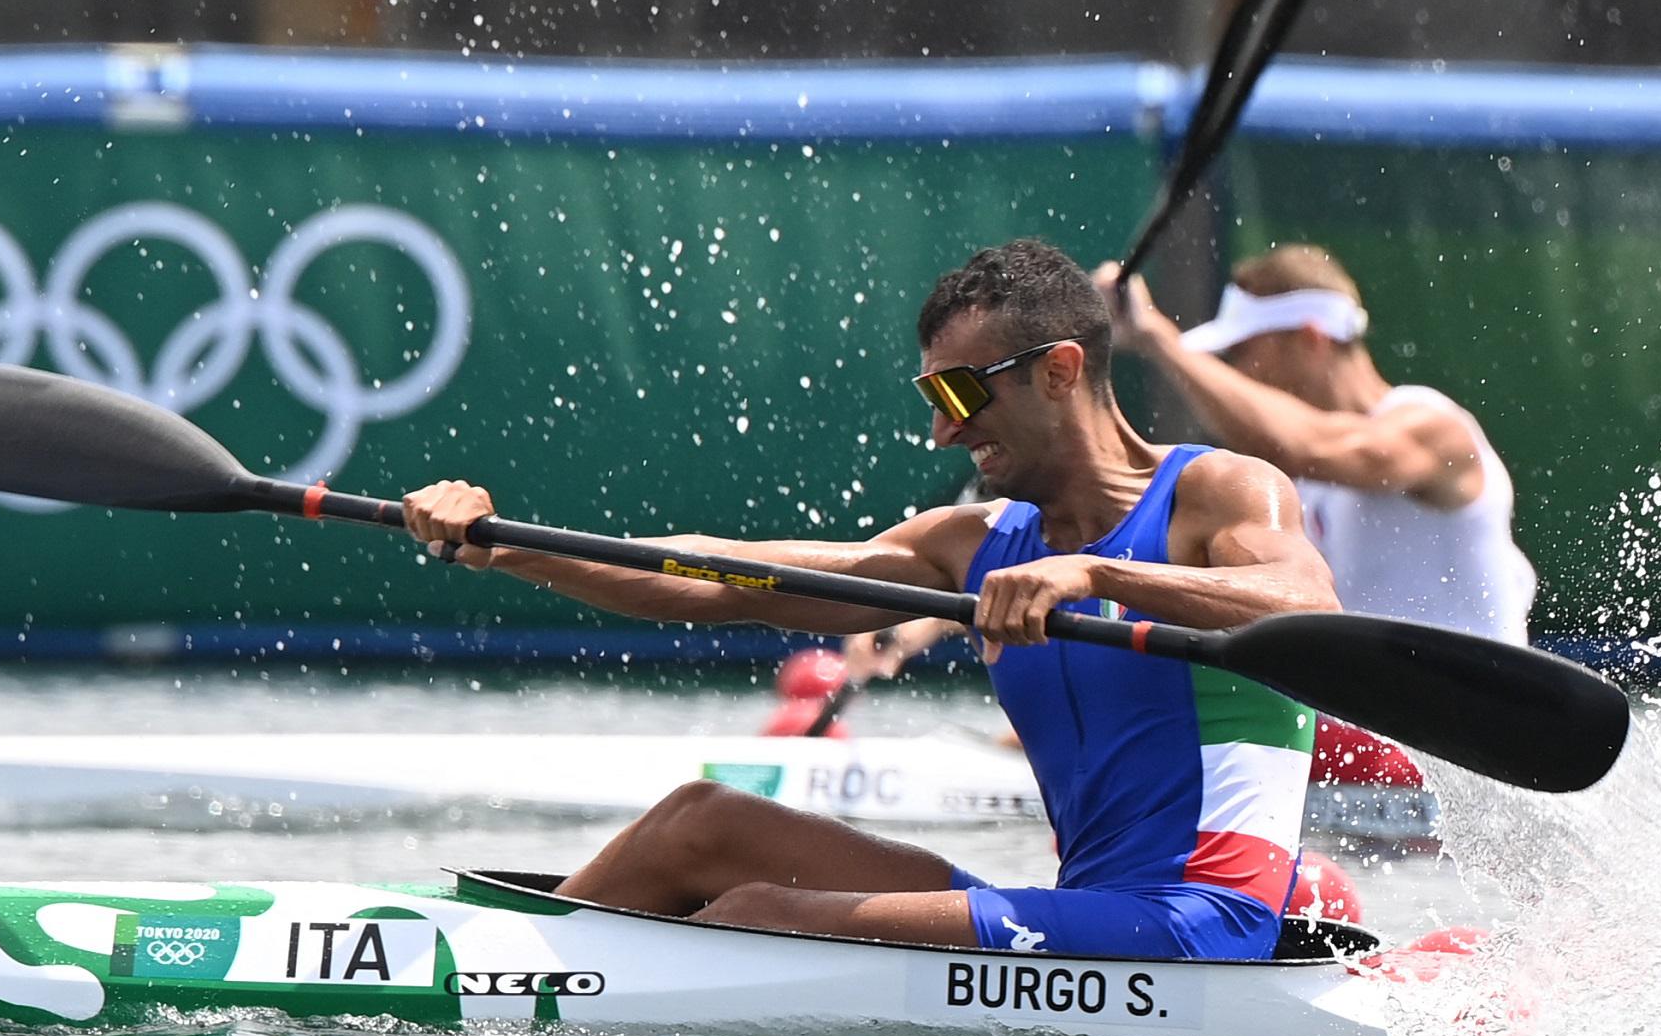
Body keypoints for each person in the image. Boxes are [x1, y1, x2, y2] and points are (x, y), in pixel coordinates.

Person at [402, 238, 1340, 960]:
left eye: (961, 392)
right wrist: (504, 545)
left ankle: (511, 977)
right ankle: (482, 959)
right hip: (1087, 914)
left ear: (1059, 371)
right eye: (932, 394)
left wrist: (1094, 575)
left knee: (759, 915)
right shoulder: (972, 548)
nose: (940, 430)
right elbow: (722, 577)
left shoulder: (1220, 494)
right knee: (704, 821)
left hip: (1204, 925)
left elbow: (1308, 611)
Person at [1093, 244, 1537, 644]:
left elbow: (1302, 445)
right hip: (1379, 723)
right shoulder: (1293, 485)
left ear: (1311, 337)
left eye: (1244, 351)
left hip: (1474, 722)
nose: (1239, 373)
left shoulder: (1435, 429)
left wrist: (1156, 337)